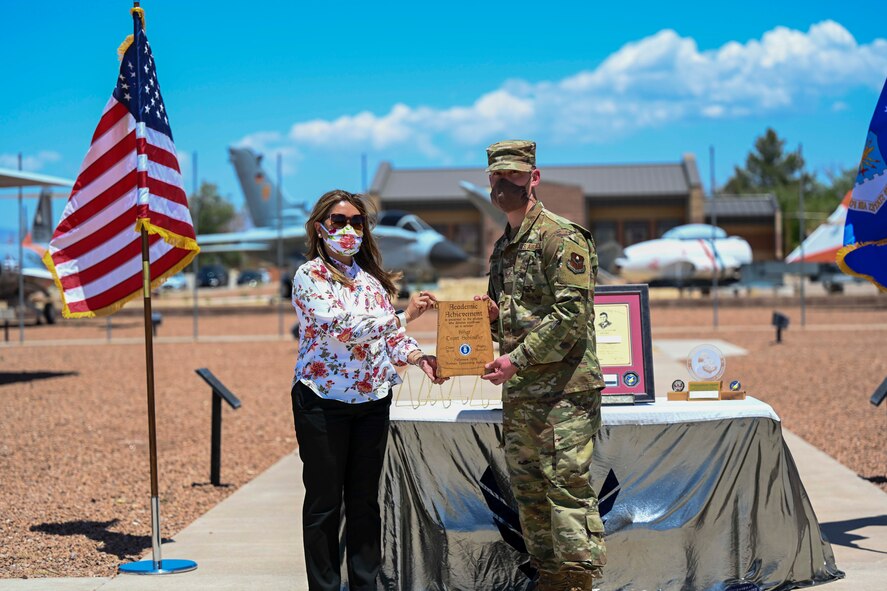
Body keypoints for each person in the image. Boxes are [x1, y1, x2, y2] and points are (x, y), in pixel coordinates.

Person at [290, 189, 444, 591]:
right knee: (325, 504)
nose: (348, 230)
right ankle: (324, 587)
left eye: (356, 222)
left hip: (372, 400)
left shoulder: (372, 283)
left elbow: (388, 340)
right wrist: (404, 315)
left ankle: (364, 584)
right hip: (323, 400)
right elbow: (341, 328)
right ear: (320, 228)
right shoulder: (309, 277)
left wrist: (418, 358)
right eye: (339, 221)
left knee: (364, 502)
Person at [475, 140, 607, 591]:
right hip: (523, 395)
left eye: (514, 176)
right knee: (530, 498)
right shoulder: (503, 248)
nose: (504, 185)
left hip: (564, 394)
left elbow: (572, 315)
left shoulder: (560, 236)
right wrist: (487, 322)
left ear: (534, 178)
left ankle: (577, 584)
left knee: (566, 493)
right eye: (497, 177)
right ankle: (550, 581)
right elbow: (512, 322)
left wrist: (516, 359)